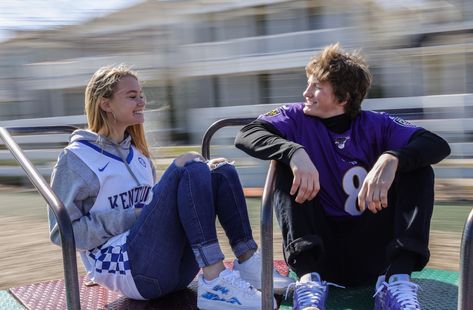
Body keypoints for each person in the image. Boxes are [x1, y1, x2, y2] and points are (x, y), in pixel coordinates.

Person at [48, 64, 292, 310]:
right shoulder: (77, 158)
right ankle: (215, 279)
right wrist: (132, 216)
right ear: (105, 104)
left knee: (220, 172)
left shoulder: (139, 156)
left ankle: (248, 262)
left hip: (175, 272)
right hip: (127, 269)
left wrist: (201, 175)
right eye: (132, 96)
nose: (141, 102)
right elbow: (62, 233)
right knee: (190, 164)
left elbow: (155, 213)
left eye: (141, 95)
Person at [235, 43, 451, 310]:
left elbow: (436, 144)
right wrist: (293, 152)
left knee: (418, 168)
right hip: (321, 253)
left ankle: (396, 280)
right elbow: (247, 134)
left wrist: (392, 158)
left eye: (316, 87)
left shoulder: (377, 124)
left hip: (373, 254)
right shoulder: (294, 117)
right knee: (282, 166)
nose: (306, 92)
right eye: (308, 84)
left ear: (343, 97)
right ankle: (308, 282)